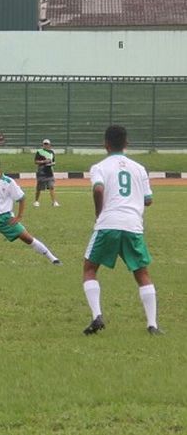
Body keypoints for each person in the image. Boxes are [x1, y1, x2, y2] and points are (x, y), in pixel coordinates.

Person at [81, 125, 160, 336]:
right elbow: (149, 200)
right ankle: (152, 324)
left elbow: (98, 188)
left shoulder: (99, 167)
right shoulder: (139, 168)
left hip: (108, 223)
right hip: (133, 225)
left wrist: (99, 211)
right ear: (127, 143)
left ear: (105, 144)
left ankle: (97, 315)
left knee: (89, 269)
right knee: (142, 273)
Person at [33, 138, 60, 207]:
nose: (45, 145)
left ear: (49, 145)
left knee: (51, 186)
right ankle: (36, 201)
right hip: (41, 172)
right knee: (39, 188)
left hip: (49, 171)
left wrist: (52, 163)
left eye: (47, 144)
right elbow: (36, 161)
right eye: (44, 144)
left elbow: (53, 161)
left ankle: (54, 202)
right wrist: (44, 162)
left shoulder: (52, 152)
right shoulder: (39, 151)